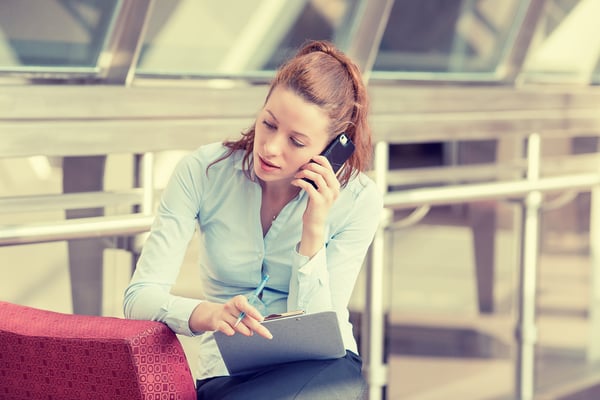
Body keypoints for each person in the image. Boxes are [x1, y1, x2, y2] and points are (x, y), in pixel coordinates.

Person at [123, 39, 383, 399]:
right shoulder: (203, 172)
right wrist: (207, 313)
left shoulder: (359, 200)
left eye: (296, 140)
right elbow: (139, 298)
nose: (271, 147)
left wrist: (313, 226)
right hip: (228, 375)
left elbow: (321, 326)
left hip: (320, 372)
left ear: (332, 147)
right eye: (269, 124)